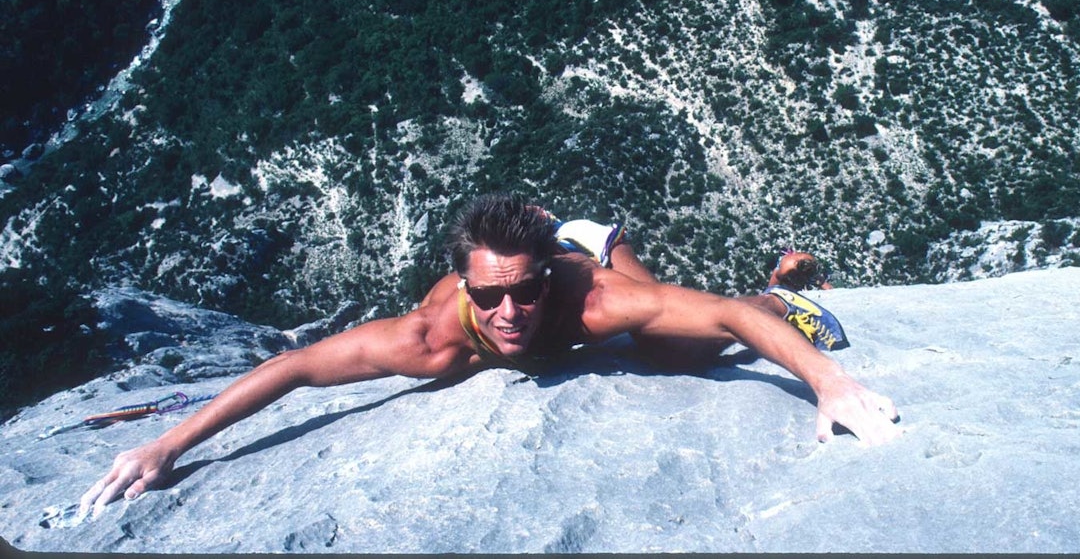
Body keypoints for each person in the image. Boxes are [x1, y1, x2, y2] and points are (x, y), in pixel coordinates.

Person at [79, 193, 901, 517]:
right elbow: (292, 368)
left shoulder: (586, 297)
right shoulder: (428, 340)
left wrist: (828, 380)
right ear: (461, 287)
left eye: (524, 294)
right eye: (487, 297)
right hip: (553, 246)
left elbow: (717, 314)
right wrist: (165, 446)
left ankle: (787, 291)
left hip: (590, 249)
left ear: (546, 283)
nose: (508, 317)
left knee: (684, 350)